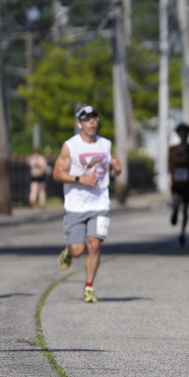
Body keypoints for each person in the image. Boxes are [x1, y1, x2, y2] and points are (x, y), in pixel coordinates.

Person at [53, 105, 123, 303]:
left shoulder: (105, 144)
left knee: (94, 245)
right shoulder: (70, 146)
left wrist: (117, 169)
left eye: (95, 118)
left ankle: (89, 286)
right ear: (79, 123)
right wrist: (79, 179)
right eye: (87, 119)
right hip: (76, 205)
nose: (92, 122)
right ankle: (68, 252)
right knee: (78, 250)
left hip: (100, 203)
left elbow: (113, 170)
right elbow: (57, 173)